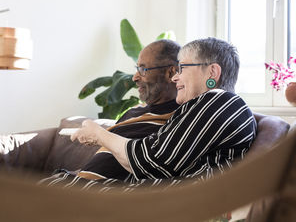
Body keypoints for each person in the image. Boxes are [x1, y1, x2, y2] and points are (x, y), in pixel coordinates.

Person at [69, 37, 256, 183]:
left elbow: (151, 162)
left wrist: (98, 134)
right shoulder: (206, 107)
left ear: (212, 73)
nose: (175, 78)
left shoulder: (220, 101)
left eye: (181, 69)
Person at [75, 39, 181, 180]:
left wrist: (97, 133)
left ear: (171, 73)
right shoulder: (134, 111)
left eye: (143, 69)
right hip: (75, 186)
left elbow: (147, 164)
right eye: (137, 68)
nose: (134, 77)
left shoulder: (178, 119)